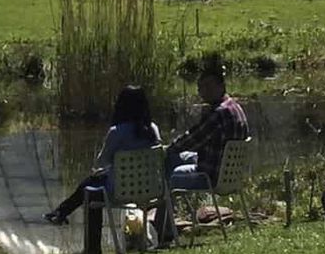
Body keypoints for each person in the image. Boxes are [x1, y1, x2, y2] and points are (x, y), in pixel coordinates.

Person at [44, 86, 161, 231]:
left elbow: (102, 161)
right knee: (90, 182)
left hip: (120, 190)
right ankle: (60, 212)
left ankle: (92, 248)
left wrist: (106, 168)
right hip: (151, 189)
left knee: (90, 190)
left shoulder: (117, 131)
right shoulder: (153, 129)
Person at [166, 62, 249, 195]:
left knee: (174, 172)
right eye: (201, 88)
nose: (204, 92)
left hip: (211, 177)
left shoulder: (218, 114)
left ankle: (165, 212)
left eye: (209, 87)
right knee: (180, 157)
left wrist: (170, 148)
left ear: (222, 86)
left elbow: (192, 140)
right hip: (230, 175)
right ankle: (170, 208)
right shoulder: (236, 107)